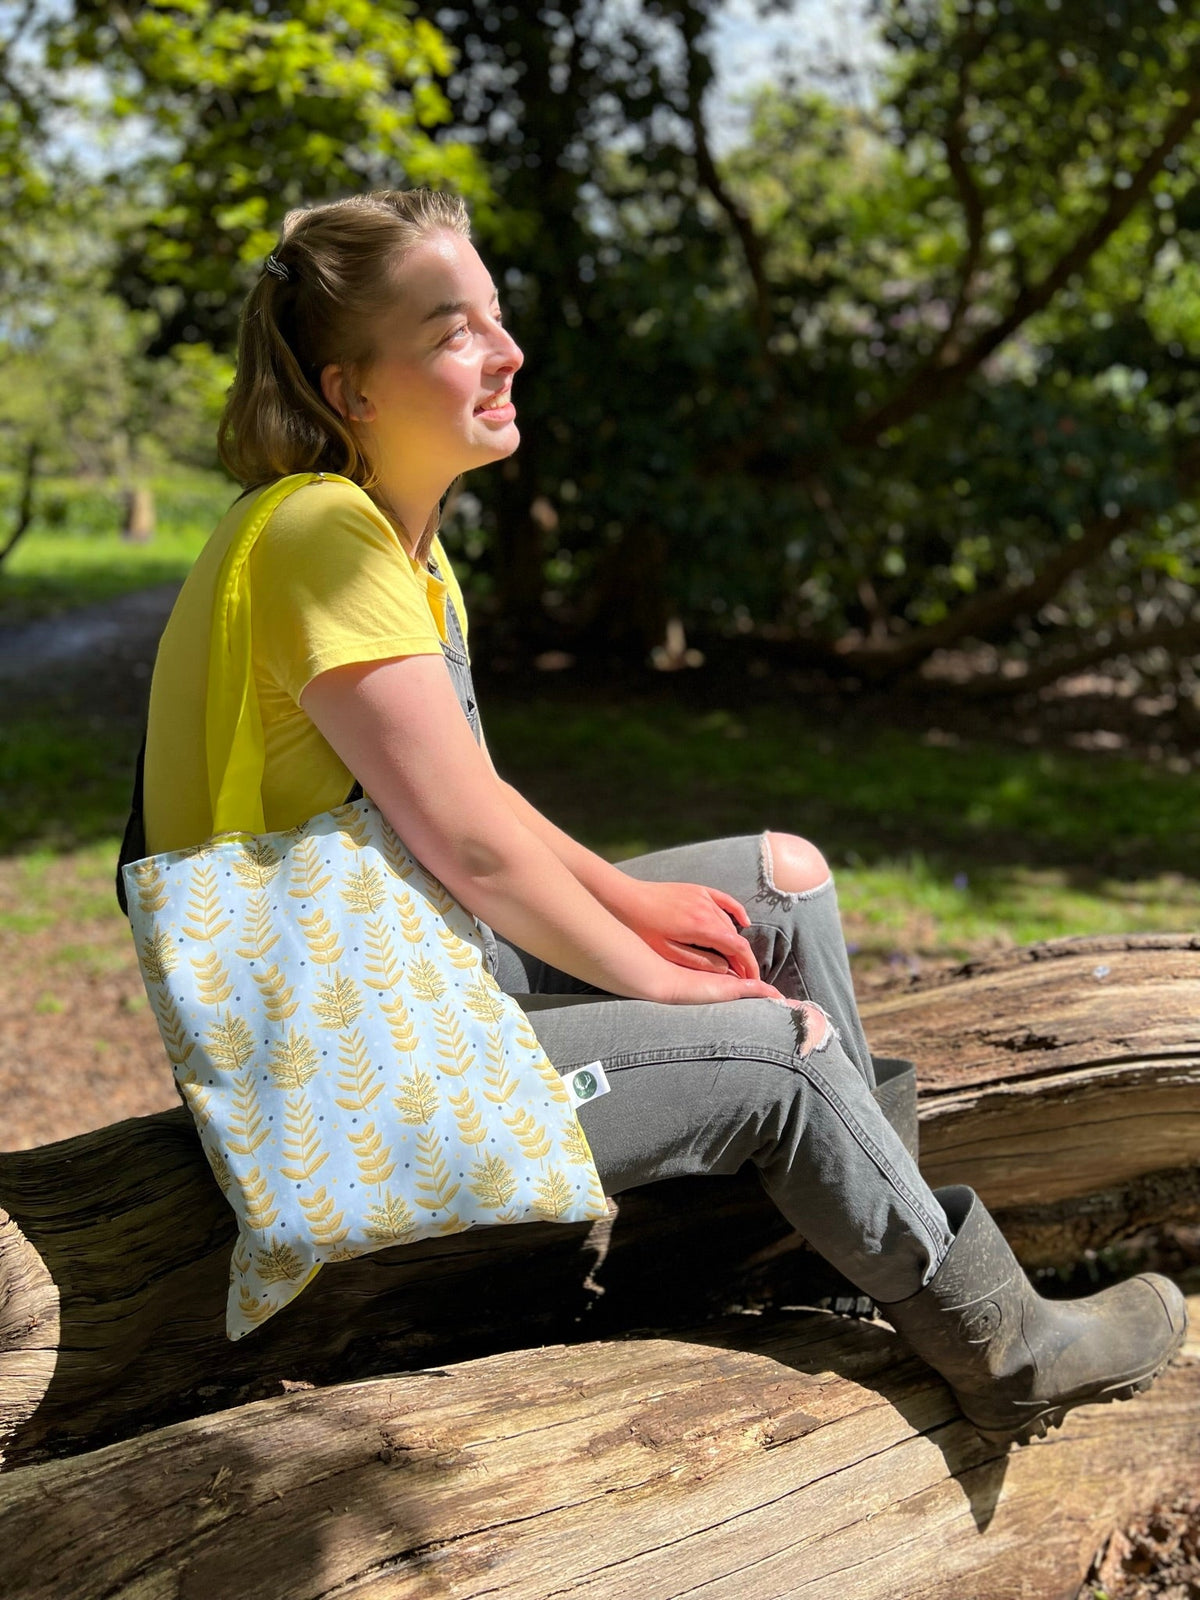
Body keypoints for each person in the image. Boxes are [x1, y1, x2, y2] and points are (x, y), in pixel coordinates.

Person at [134, 188, 1186, 1447]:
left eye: (496, 313)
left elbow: (476, 807)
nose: (507, 349)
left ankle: (839, 1258)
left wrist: (639, 907)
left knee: (778, 885)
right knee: (774, 1047)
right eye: (450, 330)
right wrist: (673, 986)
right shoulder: (320, 534)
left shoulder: (401, 547)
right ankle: (1000, 1345)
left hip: (425, 969)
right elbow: (469, 848)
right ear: (349, 388)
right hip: (356, 1060)